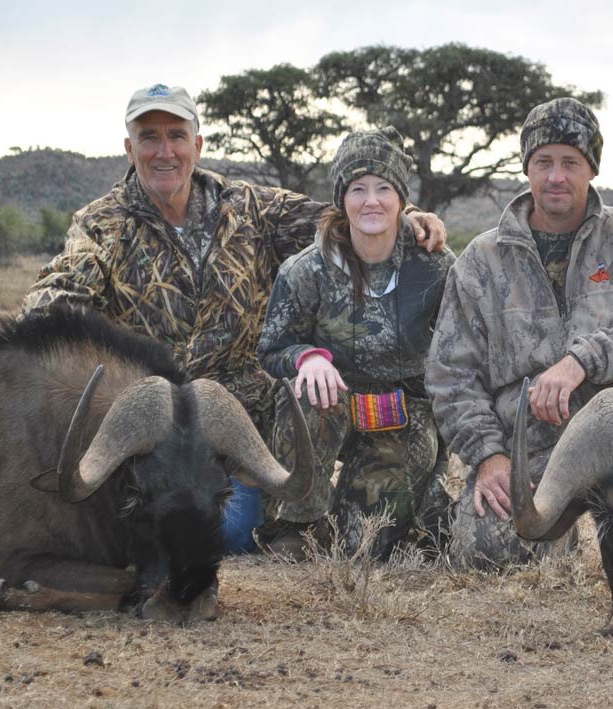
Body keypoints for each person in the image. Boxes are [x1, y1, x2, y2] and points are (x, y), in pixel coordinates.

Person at [22, 84, 446, 547]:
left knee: (234, 530)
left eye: (177, 136)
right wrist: (48, 331)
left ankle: (306, 509)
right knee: (197, 530)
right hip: (156, 425)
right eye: (149, 137)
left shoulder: (250, 207)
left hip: (245, 423)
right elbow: (59, 292)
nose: (165, 152)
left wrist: (410, 216)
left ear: (197, 145)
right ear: (129, 149)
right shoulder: (100, 224)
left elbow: (349, 214)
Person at [425, 97, 613, 568]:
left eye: (570, 162)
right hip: (531, 437)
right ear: (527, 168)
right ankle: (558, 528)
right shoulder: (482, 260)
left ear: (591, 169)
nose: (556, 176)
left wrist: (582, 361)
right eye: (543, 162)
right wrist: (490, 456)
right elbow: (451, 375)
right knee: (484, 552)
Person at [257, 128, 456, 559]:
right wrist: (306, 357)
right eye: (358, 188)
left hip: (400, 418)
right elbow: (272, 349)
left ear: (401, 198)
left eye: (384, 188)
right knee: (304, 390)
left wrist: (439, 453)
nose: (371, 201)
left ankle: (410, 503)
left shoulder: (436, 265)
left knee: (365, 545)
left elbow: (460, 355)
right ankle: (300, 521)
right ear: (341, 198)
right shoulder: (305, 270)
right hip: (331, 408)